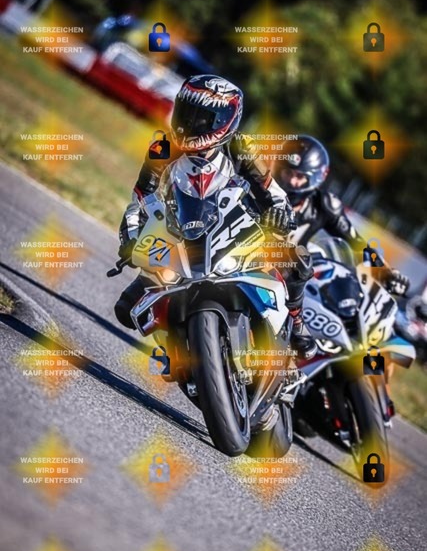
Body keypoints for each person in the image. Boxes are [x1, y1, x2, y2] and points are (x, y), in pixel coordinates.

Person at [114, 74, 317, 358]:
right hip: (179, 235)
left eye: (201, 118)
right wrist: (130, 237)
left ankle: (297, 324)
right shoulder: (163, 147)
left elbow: (273, 192)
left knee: (297, 261)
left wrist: (279, 214)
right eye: (187, 113)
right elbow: (140, 197)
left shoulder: (241, 148)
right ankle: (177, 351)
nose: (189, 123)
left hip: (239, 229)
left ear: (224, 121)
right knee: (126, 310)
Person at [273, 135, 410, 296]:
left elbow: (357, 243)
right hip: (250, 264)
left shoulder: (323, 205)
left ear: (315, 178)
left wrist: (385, 272)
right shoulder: (258, 188)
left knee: (316, 255)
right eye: (288, 172)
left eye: (300, 176)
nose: (292, 181)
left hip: (284, 283)